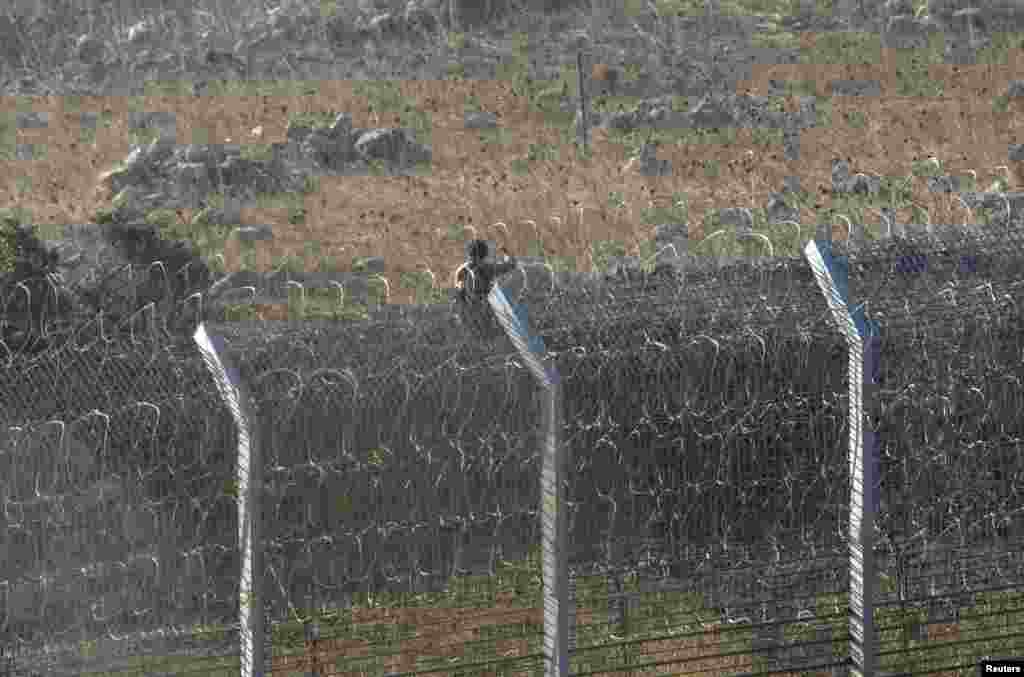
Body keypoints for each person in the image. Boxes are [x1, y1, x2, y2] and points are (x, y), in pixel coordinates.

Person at [453, 239, 518, 340]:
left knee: (473, 338)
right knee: (489, 336)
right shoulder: (487, 268)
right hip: (484, 308)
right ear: (484, 254)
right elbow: (510, 265)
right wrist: (506, 253)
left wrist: (459, 313)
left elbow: (458, 293)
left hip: (467, 310)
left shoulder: (461, 270)